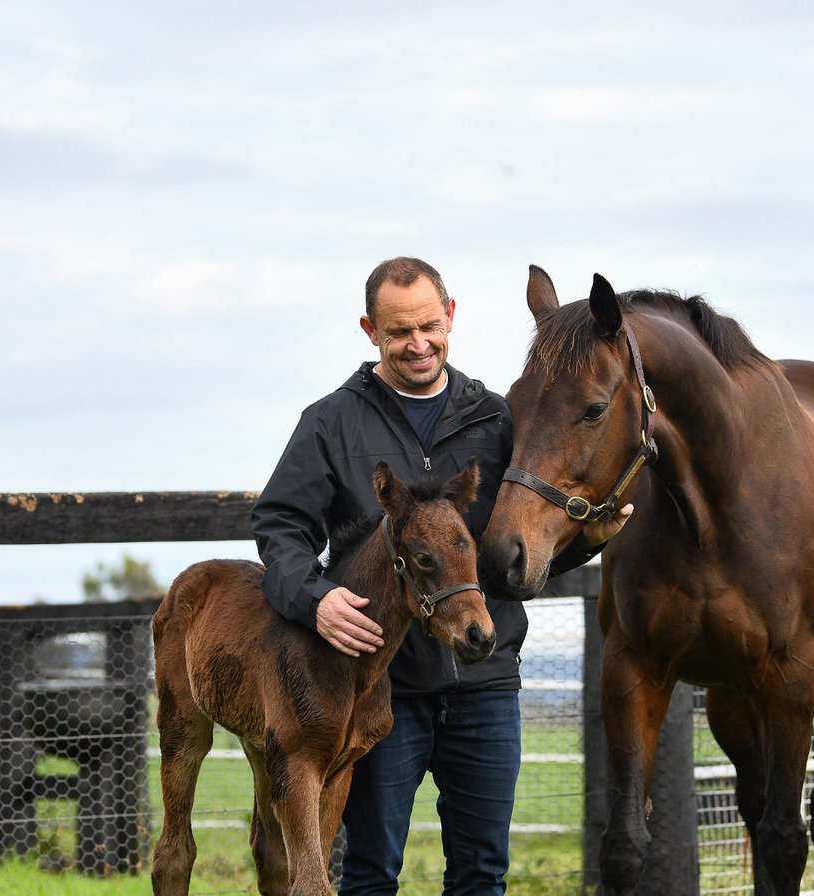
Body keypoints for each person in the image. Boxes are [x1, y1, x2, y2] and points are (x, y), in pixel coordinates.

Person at [250, 257, 631, 895]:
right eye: (399, 332)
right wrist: (314, 600)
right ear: (370, 330)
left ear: (451, 317)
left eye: (429, 325)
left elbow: (518, 554)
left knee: (482, 874)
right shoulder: (331, 422)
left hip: (485, 682)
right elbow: (280, 529)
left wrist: (583, 545)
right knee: (370, 873)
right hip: (378, 688)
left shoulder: (498, 418)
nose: (418, 343)